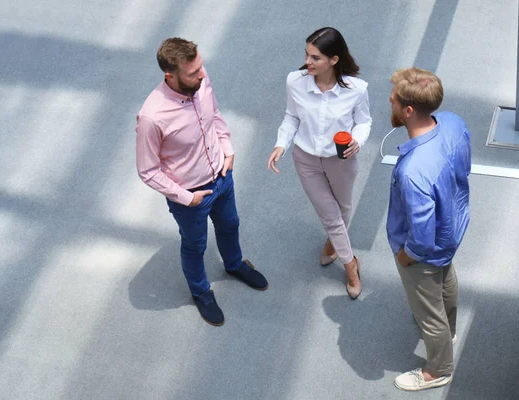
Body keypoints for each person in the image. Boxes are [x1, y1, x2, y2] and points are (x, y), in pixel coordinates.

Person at [136, 38, 268, 327]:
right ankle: (201, 292)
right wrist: (186, 197)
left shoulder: (201, 82)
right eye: (193, 72)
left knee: (230, 224)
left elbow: (214, 116)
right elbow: (147, 170)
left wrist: (227, 147)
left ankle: (234, 265)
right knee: (195, 245)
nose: (202, 75)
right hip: (191, 195)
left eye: (201, 67)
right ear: (170, 75)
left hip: (222, 176)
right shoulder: (152, 117)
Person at [267, 27, 371, 299]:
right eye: (307, 54)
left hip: (341, 160)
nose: (308, 62)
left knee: (343, 208)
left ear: (334, 60)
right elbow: (292, 117)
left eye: (316, 58)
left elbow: (364, 122)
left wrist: (357, 140)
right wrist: (281, 144)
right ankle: (351, 266)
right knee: (330, 215)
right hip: (306, 159)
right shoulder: (295, 81)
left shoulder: (356, 89)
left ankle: (333, 243)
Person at [386, 67, 471, 391]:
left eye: (393, 99)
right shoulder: (453, 122)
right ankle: (448, 331)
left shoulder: (413, 172)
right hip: (453, 227)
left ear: (408, 111)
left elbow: (420, 238)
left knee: (427, 310)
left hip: (424, 248)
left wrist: (406, 258)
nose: (389, 100)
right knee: (446, 278)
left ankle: (438, 369)